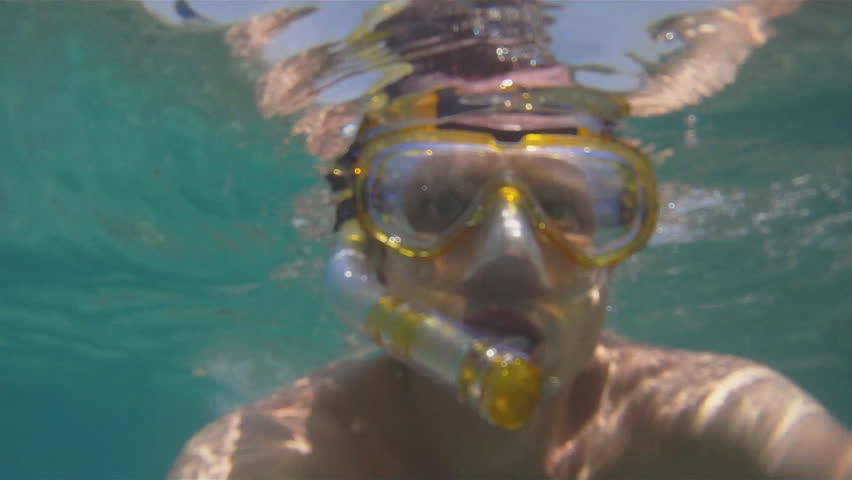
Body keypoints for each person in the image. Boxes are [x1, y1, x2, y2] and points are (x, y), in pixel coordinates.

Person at [166, 2, 851, 479]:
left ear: (613, 260)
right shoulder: (279, 458)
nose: (511, 255)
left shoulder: (723, 426)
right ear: (368, 255)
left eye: (561, 204)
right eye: (438, 204)